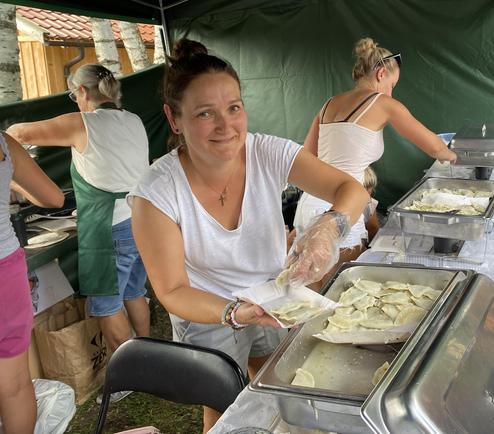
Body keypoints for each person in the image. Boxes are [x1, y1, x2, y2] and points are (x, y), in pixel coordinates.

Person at [128, 39, 367, 433]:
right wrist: (232, 312)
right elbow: (171, 290)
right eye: (206, 113)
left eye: (234, 108)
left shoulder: (266, 152)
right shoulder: (156, 192)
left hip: (273, 294)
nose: (226, 126)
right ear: (174, 119)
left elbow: (352, 190)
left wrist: (329, 226)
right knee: (226, 407)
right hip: (207, 310)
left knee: (278, 384)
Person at [7, 64, 151, 404]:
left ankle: (130, 376)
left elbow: (19, 132)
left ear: (83, 92)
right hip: (140, 219)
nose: (75, 102)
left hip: (107, 227)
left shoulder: (82, 123)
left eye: (75, 96)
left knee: (106, 305)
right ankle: (150, 355)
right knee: (134, 292)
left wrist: (13, 163)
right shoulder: (132, 120)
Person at [293, 37, 457, 269]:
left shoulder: (328, 104)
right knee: (340, 288)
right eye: (392, 85)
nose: (391, 93)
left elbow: (307, 156)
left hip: (309, 204)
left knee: (309, 289)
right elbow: (436, 147)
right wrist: (457, 158)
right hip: (342, 207)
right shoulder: (383, 103)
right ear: (381, 74)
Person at [0, 133, 63, 434]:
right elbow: (54, 197)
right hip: (5, 274)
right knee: (15, 387)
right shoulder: (4, 143)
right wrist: (8, 179)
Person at [362, 166, 380, 245]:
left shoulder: (369, 204)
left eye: (370, 188)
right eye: (364, 187)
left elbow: (373, 229)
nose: (368, 191)